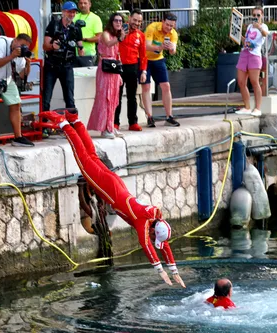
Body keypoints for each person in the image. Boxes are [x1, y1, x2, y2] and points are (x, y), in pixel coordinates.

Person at [41, 109, 186, 288]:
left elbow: (164, 245)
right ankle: (63, 122)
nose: (151, 237)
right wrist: (160, 271)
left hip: (117, 185)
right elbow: (147, 247)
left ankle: (75, 120)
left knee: (91, 155)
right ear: (154, 231)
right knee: (83, 158)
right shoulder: (143, 222)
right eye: (153, 235)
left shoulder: (155, 217)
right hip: (110, 189)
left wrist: (174, 270)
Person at [0, 33, 35, 152]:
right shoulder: (1, 42)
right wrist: (12, 56)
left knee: (16, 104)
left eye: (25, 47)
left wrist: (28, 64)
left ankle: (18, 137)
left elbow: (22, 75)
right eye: (22, 45)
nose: (22, 49)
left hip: (5, 79)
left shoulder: (20, 56)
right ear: (15, 40)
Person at [42, 1, 84, 113]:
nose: (72, 14)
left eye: (74, 12)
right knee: (46, 97)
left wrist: (80, 48)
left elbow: (81, 49)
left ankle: (72, 125)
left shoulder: (76, 28)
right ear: (63, 12)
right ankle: (44, 126)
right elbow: (45, 46)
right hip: (52, 65)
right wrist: (52, 46)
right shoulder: (54, 25)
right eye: (70, 12)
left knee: (69, 98)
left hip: (67, 65)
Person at [87, 13, 123, 139]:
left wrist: (119, 74)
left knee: (113, 99)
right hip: (105, 67)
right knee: (105, 98)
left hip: (113, 68)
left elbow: (117, 54)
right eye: (116, 20)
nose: (119, 23)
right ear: (111, 22)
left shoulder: (116, 36)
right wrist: (120, 38)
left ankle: (110, 125)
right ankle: (104, 128)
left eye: (120, 21)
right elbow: (108, 44)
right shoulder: (106, 33)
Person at [141, 12, 180, 127]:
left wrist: (172, 49)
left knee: (166, 86)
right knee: (146, 86)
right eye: (167, 25)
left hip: (158, 59)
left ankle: (169, 116)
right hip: (145, 59)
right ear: (162, 21)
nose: (169, 28)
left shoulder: (173, 34)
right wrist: (160, 47)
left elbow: (173, 51)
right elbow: (146, 46)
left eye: (171, 26)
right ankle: (150, 117)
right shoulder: (152, 27)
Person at [114, 8, 147, 131]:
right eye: (134, 20)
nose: (136, 23)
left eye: (139, 21)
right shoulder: (119, 30)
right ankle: (115, 123)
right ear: (129, 18)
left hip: (133, 67)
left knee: (132, 97)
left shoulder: (141, 35)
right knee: (116, 96)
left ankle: (132, 122)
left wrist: (143, 71)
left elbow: (143, 55)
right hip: (119, 66)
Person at [235, 6, 269, 117]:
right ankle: (247, 107)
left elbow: (265, 34)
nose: (255, 17)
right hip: (245, 53)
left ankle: (258, 108)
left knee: (254, 81)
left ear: (262, 16)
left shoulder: (263, 26)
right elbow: (247, 41)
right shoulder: (249, 26)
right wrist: (239, 36)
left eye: (258, 15)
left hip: (254, 55)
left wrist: (258, 27)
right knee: (241, 81)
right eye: (254, 15)